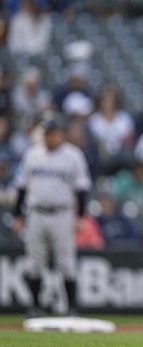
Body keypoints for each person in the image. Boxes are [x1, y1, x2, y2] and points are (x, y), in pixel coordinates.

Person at [11, 116, 92, 318]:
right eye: (47, 133)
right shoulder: (32, 154)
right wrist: (17, 215)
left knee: (66, 262)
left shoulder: (73, 156)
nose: (50, 137)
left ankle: (71, 309)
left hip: (62, 213)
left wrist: (80, 216)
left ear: (61, 134)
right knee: (34, 263)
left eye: (53, 133)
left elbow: (82, 189)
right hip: (36, 213)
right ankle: (35, 307)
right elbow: (22, 187)